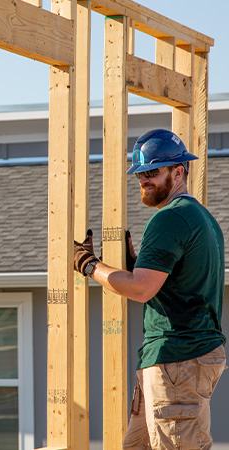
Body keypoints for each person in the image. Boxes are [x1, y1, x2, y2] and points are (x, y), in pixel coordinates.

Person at [74, 129, 226, 450]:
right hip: (181, 360)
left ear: (178, 171)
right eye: (140, 173)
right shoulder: (203, 219)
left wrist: (89, 265)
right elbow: (175, 282)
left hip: (177, 361)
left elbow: (142, 290)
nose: (144, 180)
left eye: (152, 172)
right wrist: (135, 265)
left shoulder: (168, 220)